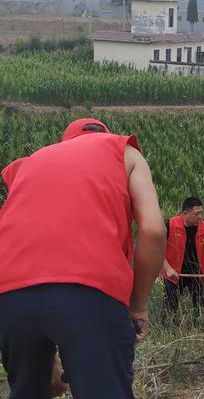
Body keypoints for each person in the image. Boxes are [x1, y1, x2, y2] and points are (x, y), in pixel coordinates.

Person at [0, 118, 167, 399]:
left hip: (10, 293)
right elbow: (152, 230)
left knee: (29, 391)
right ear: (105, 135)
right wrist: (138, 306)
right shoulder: (124, 151)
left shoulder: (31, 163)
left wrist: (45, 341)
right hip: (91, 289)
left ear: (65, 142)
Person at [162, 197, 204, 316]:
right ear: (185, 213)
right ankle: (169, 330)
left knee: (201, 311)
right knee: (169, 311)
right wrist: (168, 269)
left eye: (201, 213)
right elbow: (157, 250)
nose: (200, 217)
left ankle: (200, 328)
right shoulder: (170, 225)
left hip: (198, 274)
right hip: (174, 274)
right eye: (196, 214)